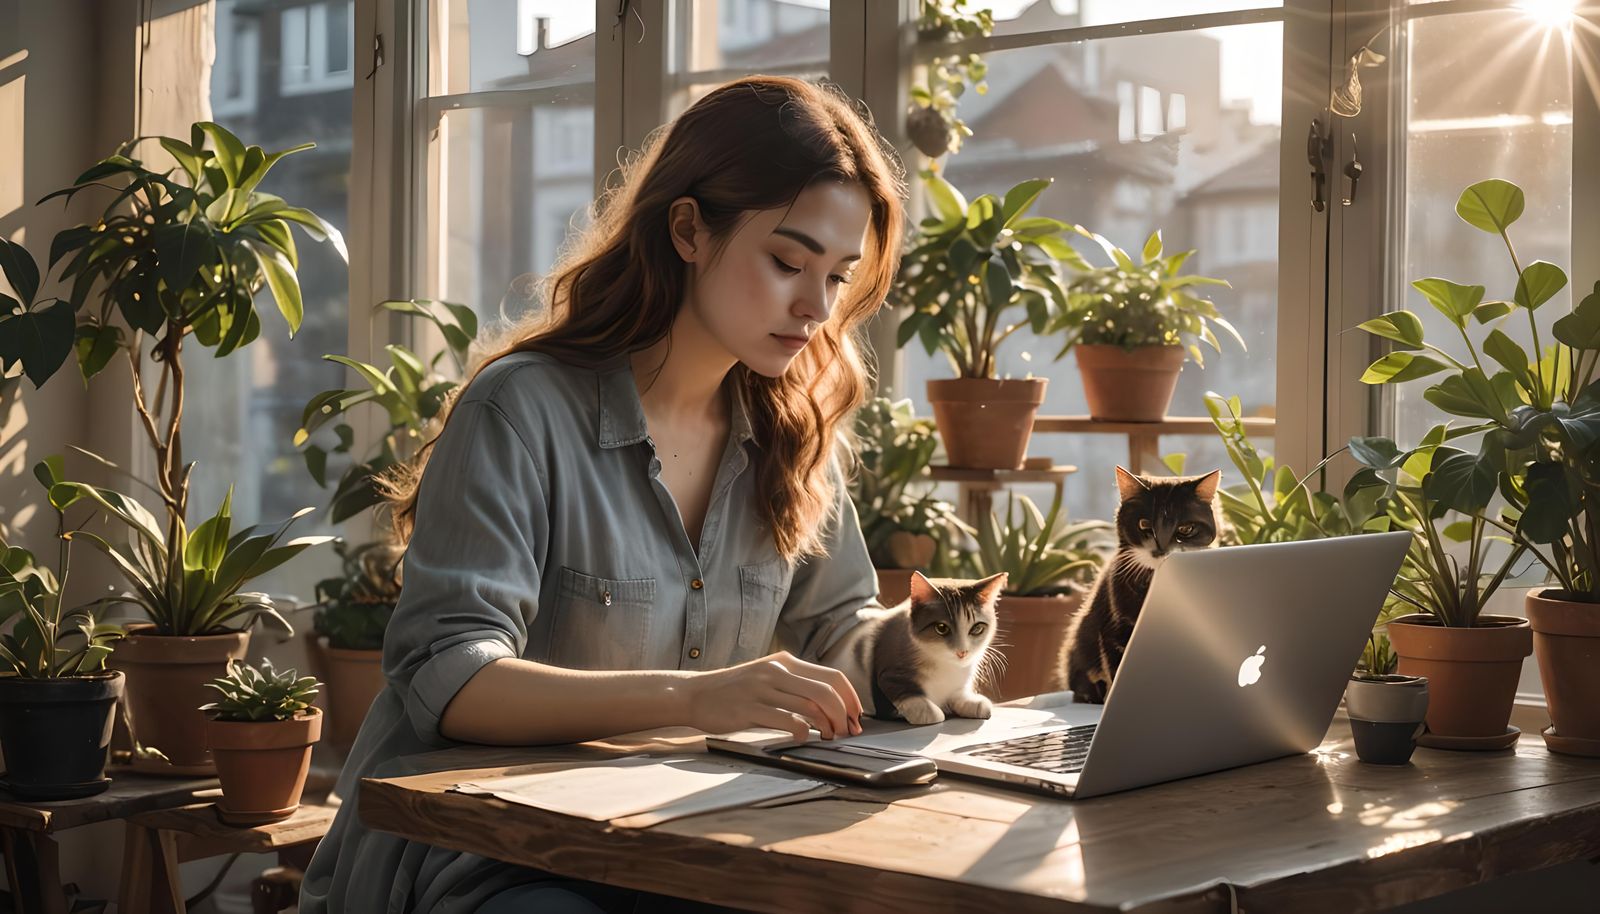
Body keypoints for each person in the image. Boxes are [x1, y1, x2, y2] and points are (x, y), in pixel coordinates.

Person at [299, 75, 909, 913]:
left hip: (681, 846)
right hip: (488, 860)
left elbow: (840, 632)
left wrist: (938, 657)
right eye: (787, 261)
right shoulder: (520, 409)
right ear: (688, 229)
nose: (815, 305)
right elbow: (450, 677)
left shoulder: (792, 436)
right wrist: (697, 698)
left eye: (839, 277)